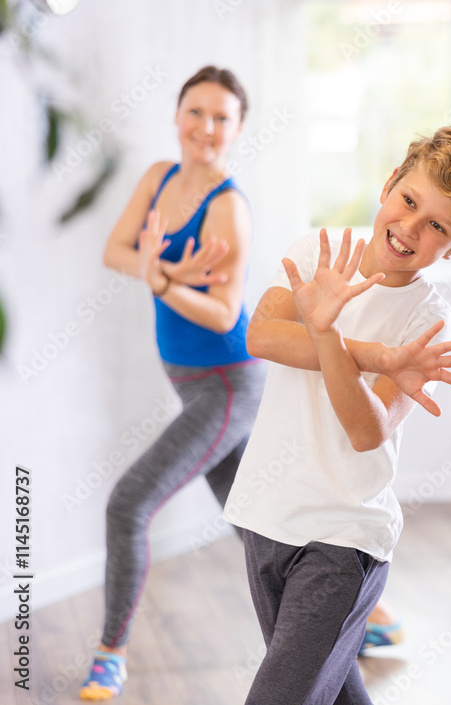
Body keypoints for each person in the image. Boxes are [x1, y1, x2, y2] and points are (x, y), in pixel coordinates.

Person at [222, 127, 451, 704]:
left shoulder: (427, 321)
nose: (409, 228)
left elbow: (366, 430)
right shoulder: (317, 254)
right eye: (409, 202)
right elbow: (262, 335)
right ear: (389, 186)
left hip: (344, 540)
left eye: (437, 226)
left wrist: (327, 334)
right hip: (267, 517)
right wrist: (373, 355)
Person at [79, 66, 265, 701]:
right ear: (178, 114)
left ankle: (110, 654)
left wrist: (161, 279)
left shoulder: (229, 207)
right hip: (192, 384)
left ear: (238, 130)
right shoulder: (159, 178)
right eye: (196, 112)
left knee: (129, 504)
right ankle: (363, 614)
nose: (206, 128)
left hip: (227, 383)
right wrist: (160, 267)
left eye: (222, 118)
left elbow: (223, 313)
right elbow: (114, 250)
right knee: (255, 522)